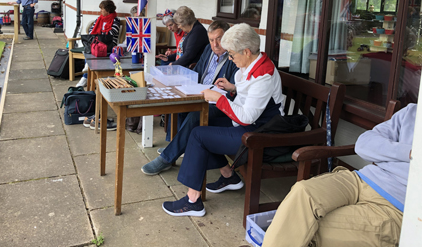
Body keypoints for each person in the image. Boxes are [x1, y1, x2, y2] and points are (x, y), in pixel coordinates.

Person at [161, 23, 285, 217]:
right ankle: (228, 176)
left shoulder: (264, 76)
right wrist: (233, 88)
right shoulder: (254, 64)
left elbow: (247, 116)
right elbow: (250, 97)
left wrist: (218, 98)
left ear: (246, 51)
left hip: (260, 134)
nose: (230, 59)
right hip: (250, 126)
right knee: (202, 124)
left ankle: (192, 201)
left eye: (232, 54)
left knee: (199, 135)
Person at [262, 103, 416, 247]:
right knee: (303, 192)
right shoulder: (412, 112)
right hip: (359, 180)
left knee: (306, 228)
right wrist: (410, 152)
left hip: (394, 204)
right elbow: (364, 143)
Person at [141, 20, 238, 175]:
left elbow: (233, 89)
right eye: (212, 40)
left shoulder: (234, 57)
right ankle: (176, 146)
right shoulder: (208, 50)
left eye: (219, 39)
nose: (215, 44)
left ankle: (167, 158)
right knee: (177, 105)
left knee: (195, 116)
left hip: (218, 103)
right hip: (200, 93)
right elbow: (197, 71)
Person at [77, 0, 121, 88]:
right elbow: (91, 30)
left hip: (109, 45)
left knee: (93, 50)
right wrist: (101, 34)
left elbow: (113, 32)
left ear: (108, 10)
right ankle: (86, 71)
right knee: (90, 49)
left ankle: (85, 75)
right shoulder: (99, 19)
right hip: (98, 44)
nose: (100, 11)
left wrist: (99, 34)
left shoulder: (115, 20)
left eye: (102, 9)